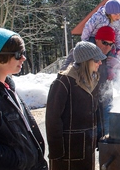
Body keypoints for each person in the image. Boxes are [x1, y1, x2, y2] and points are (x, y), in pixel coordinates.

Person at [0, 27, 48, 170]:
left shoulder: (7, 87)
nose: (23, 58)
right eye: (18, 54)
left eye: (23, 53)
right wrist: (20, 160)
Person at [45, 41, 106, 170]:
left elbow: (98, 112)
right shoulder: (63, 82)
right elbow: (52, 119)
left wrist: (101, 138)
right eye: (96, 60)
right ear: (86, 61)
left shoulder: (94, 80)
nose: (100, 63)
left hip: (87, 149)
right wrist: (56, 151)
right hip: (67, 151)